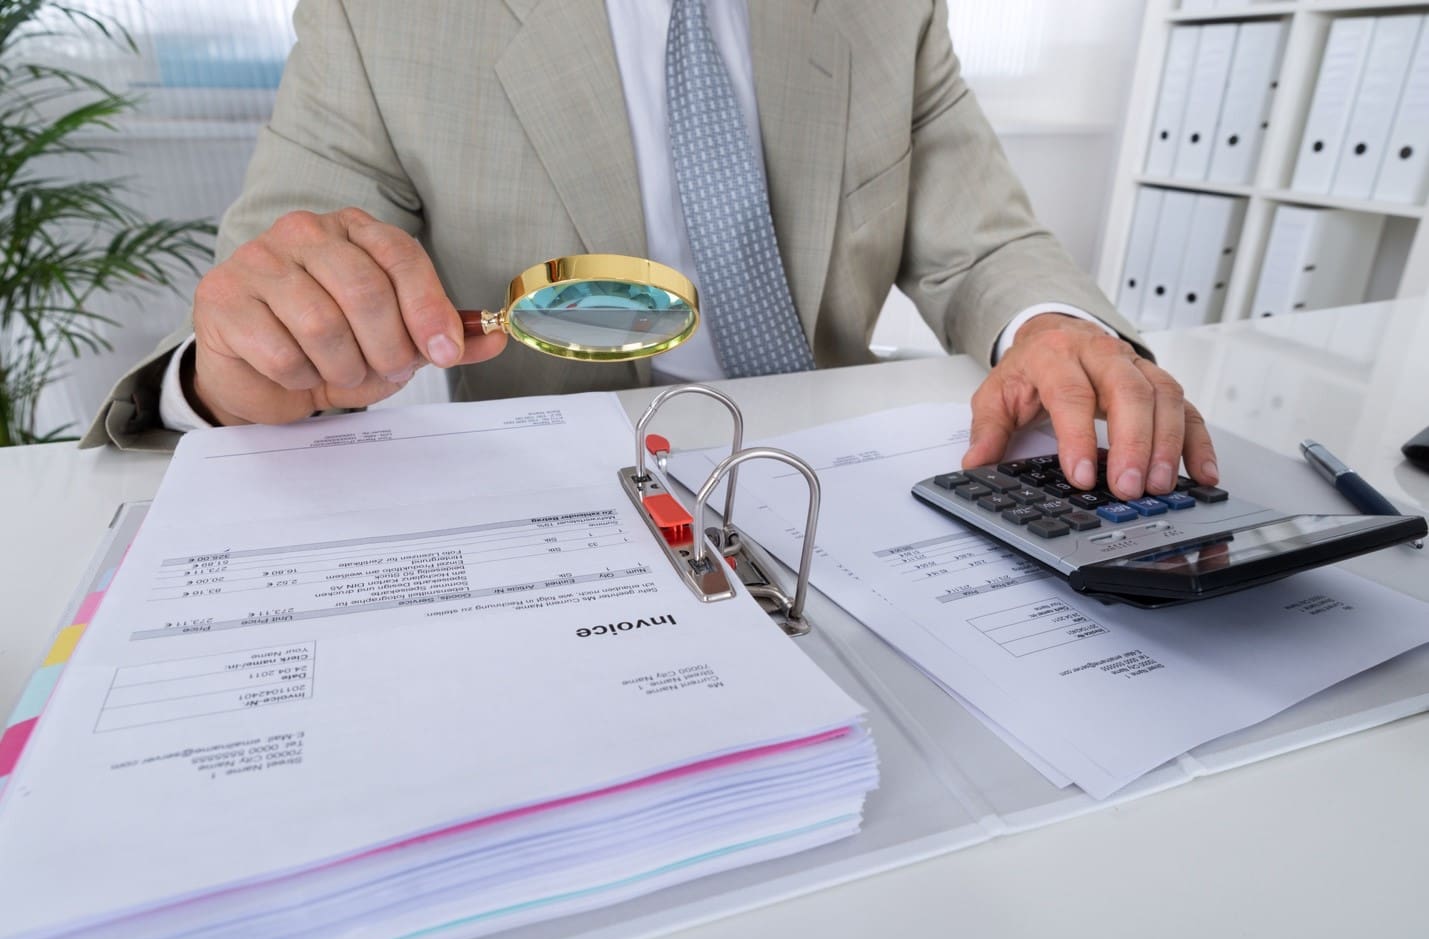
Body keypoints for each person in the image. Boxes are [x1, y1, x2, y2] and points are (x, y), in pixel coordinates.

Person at [81, 0, 1217, 502]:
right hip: (560, 495)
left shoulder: (887, 8)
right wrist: (241, 369)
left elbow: (986, 245)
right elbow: (280, 288)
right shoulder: (381, 19)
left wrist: (1053, 326)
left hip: (843, 473)